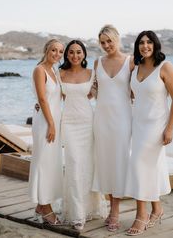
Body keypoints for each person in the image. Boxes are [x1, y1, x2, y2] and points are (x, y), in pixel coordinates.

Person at [124, 30, 173, 236]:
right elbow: (133, 94)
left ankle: (141, 214)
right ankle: (157, 209)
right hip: (138, 125)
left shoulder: (165, 67)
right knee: (147, 168)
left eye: (149, 42)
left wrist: (170, 128)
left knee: (139, 165)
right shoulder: (136, 67)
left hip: (156, 127)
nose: (145, 46)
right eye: (141, 43)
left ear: (155, 45)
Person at [59, 40, 106, 231]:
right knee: (74, 164)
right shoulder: (59, 73)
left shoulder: (91, 73)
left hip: (88, 123)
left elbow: (102, 94)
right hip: (68, 124)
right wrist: (39, 105)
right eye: (71, 52)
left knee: (88, 165)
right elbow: (50, 95)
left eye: (79, 52)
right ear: (67, 55)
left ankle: (90, 207)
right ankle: (77, 214)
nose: (75, 55)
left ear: (84, 54)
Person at [92, 24, 134, 232]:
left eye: (110, 40)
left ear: (117, 39)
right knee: (106, 164)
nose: (107, 45)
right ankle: (111, 208)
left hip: (122, 121)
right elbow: (90, 89)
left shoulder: (131, 62)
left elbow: (141, 88)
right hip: (101, 121)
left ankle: (115, 212)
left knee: (118, 164)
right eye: (103, 42)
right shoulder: (97, 62)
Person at [28, 39, 64, 225]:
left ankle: (40, 208)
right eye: (53, 50)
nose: (57, 54)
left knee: (51, 163)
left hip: (54, 121)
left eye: (60, 51)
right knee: (43, 163)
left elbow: (59, 95)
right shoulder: (39, 70)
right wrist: (51, 124)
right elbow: (42, 99)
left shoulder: (55, 71)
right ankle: (46, 208)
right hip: (45, 122)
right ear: (46, 50)